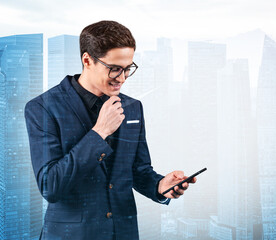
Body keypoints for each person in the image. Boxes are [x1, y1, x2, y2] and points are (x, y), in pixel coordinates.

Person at [24, 20, 196, 240]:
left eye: (128, 68)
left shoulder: (133, 107)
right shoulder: (42, 108)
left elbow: (138, 171)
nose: (122, 78)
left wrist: (161, 185)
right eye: (115, 69)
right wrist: (99, 133)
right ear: (87, 60)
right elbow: (51, 186)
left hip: (123, 233)